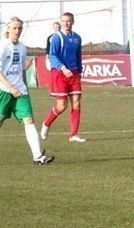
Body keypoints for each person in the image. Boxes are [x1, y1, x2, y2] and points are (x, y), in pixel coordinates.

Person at [0, 16, 54, 165]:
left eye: (19, 28)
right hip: (4, 91)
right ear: (8, 29)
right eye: (14, 28)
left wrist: (24, 88)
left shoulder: (22, 47)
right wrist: (10, 88)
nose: (17, 31)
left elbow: (21, 70)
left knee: (29, 121)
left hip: (20, 91)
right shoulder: (3, 46)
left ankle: (38, 156)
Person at [40, 12, 85, 143]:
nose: (66, 23)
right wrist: (63, 68)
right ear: (61, 22)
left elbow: (78, 56)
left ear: (73, 22)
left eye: (69, 21)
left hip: (74, 74)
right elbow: (53, 55)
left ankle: (73, 135)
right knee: (62, 106)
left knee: (76, 102)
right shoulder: (56, 37)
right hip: (60, 74)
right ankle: (46, 124)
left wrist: (79, 71)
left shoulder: (77, 38)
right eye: (64, 21)